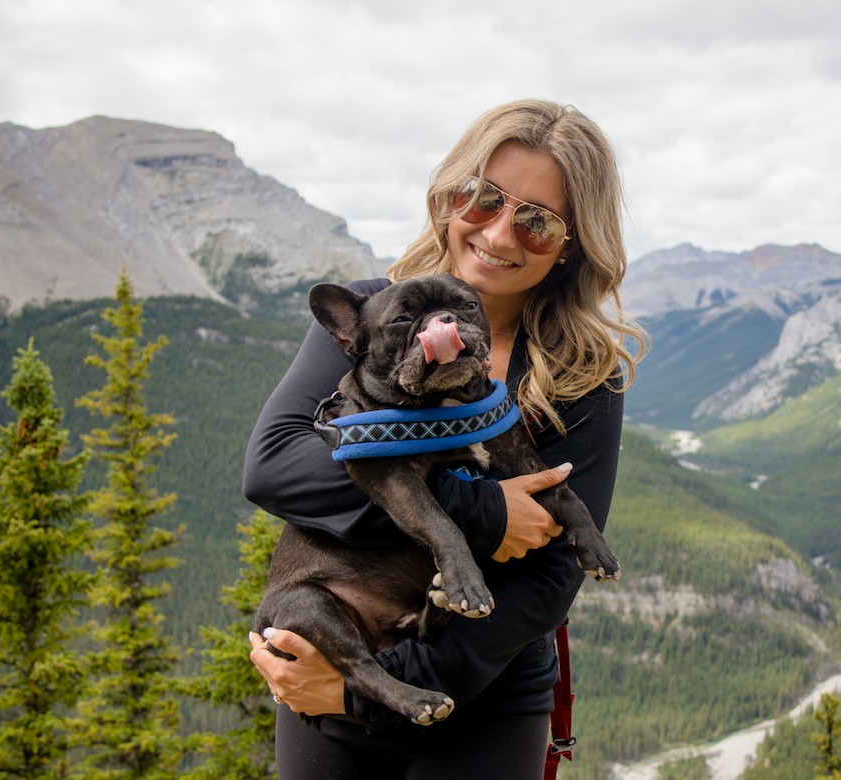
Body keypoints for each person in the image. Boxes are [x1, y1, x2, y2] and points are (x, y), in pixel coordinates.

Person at [243, 98, 645, 779]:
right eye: (484, 198)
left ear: (573, 243)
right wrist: (486, 514)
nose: (499, 234)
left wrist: (373, 688)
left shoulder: (583, 373)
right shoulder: (367, 312)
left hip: (482, 692)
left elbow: (551, 578)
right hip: (335, 656)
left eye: (537, 220)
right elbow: (275, 466)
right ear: (451, 195)